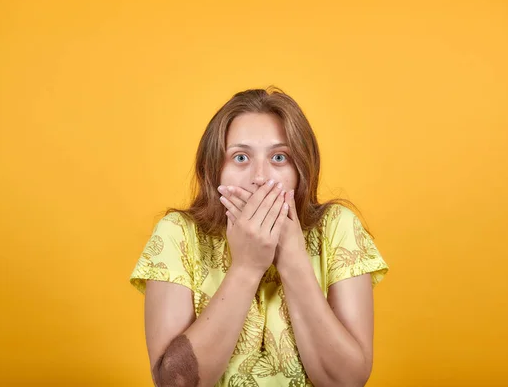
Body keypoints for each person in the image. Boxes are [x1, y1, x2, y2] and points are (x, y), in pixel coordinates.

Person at [129, 87, 389, 387]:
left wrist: (292, 261)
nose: (260, 177)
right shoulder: (177, 233)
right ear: (214, 170)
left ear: (300, 170)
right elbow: (174, 383)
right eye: (240, 157)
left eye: (279, 157)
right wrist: (247, 267)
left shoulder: (338, 228)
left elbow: (348, 382)